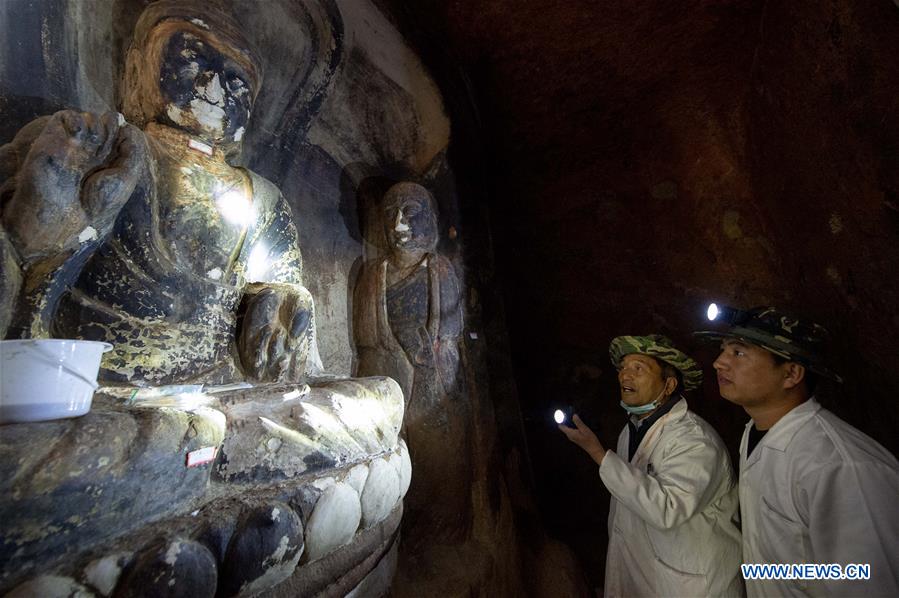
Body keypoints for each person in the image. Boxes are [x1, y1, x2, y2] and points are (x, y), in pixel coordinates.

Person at [696, 307, 899, 597]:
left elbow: (868, 577)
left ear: (791, 373)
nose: (718, 363)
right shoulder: (755, 433)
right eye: (723, 349)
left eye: (739, 353)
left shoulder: (840, 465)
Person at [559, 335, 743, 597]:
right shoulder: (631, 429)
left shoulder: (695, 441)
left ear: (668, 385)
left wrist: (598, 454)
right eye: (623, 367)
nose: (625, 375)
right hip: (650, 577)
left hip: (696, 587)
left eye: (639, 368)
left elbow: (667, 509)